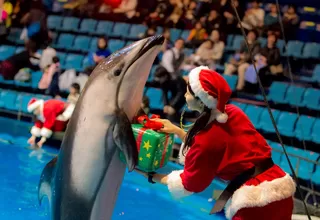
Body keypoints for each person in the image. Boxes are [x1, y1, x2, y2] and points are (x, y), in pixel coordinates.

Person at [136, 66, 295, 220]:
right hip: (280, 187)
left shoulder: (206, 139)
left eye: (188, 91)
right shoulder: (233, 112)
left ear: (201, 99)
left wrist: (151, 176)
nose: (184, 95)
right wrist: (177, 131)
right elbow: (214, 146)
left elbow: (189, 183)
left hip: (257, 202)